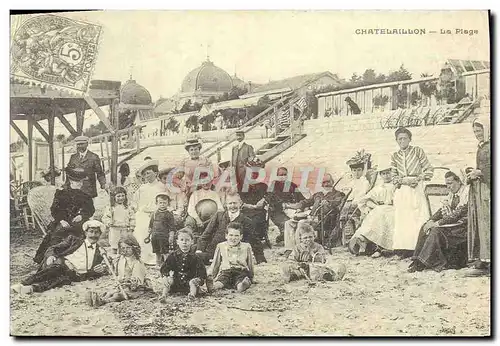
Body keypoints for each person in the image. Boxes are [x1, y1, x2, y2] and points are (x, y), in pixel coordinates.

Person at [12, 220, 109, 294]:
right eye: (91, 232)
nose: (93, 235)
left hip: (76, 275)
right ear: (86, 233)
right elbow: (53, 248)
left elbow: (107, 266)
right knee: (57, 268)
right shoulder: (74, 240)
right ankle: (23, 283)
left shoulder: (100, 251)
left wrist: (103, 269)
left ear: (100, 234)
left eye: (96, 233)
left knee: (61, 280)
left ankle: (31, 289)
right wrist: (51, 256)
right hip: (62, 264)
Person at [408, 171, 470, 272]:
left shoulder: (466, 193)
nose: (448, 186)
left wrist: (438, 223)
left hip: (462, 227)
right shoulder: (452, 194)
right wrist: (431, 220)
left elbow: (457, 214)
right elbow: (442, 210)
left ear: (459, 181)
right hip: (452, 224)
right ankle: (416, 259)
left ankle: (422, 262)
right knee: (425, 226)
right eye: (446, 184)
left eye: (450, 183)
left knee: (436, 230)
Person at [33, 167, 95, 264]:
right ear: (71, 181)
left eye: (81, 182)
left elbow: (90, 210)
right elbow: (54, 210)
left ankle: (77, 258)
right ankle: (52, 257)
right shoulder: (61, 194)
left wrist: (82, 216)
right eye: (77, 181)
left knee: (80, 234)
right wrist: (62, 220)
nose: (80, 184)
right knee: (57, 234)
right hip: (63, 221)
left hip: (78, 222)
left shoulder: (85, 196)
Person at [391, 127, 433, 257]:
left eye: (405, 138)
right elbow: (394, 176)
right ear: (396, 141)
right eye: (399, 139)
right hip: (403, 190)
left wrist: (418, 178)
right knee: (404, 219)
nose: (402, 141)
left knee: (417, 217)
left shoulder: (417, 151)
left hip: (416, 187)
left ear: (410, 139)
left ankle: (418, 248)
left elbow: (428, 170)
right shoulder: (395, 156)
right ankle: (404, 249)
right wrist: (404, 181)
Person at [196, 191, 266, 264]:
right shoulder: (219, 216)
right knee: (194, 256)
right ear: (226, 205)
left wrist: (260, 259)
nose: (232, 206)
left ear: (240, 204)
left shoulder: (246, 221)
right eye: (230, 203)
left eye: (235, 203)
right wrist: (199, 249)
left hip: (235, 254)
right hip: (214, 252)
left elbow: (255, 241)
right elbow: (206, 234)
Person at [86, 234, 153, 307]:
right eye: (123, 248)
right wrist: (104, 267)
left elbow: (138, 280)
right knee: (110, 293)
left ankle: (103, 301)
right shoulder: (120, 258)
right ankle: (98, 299)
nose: (125, 250)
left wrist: (128, 282)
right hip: (122, 285)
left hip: (135, 289)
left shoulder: (137, 263)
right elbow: (112, 268)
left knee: (117, 295)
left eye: (128, 248)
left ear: (134, 248)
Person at [283, 173, 345, 249]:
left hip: (323, 220)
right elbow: (305, 202)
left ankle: (302, 249)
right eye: (324, 182)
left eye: (328, 181)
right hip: (311, 218)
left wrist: (328, 203)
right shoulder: (318, 194)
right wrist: (289, 206)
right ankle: (290, 248)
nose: (326, 184)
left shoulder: (338, 194)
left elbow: (337, 203)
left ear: (332, 181)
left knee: (302, 223)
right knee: (289, 223)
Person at [349, 162, 396, 258]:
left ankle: (375, 245)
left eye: (388, 173)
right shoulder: (379, 187)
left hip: (393, 209)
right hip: (379, 209)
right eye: (383, 174)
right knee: (373, 216)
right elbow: (366, 200)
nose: (386, 176)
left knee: (383, 217)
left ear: (391, 173)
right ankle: (363, 238)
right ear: (380, 175)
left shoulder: (395, 186)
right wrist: (375, 206)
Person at [464, 116, 491, 277]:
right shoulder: (482, 146)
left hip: (489, 188)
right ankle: (484, 259)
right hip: (481, 188)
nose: (477, 133)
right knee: (482, 224)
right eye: (475, 131)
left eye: (479, 130)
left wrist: (479, 173)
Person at [281, 223, 346, 283]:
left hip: (315, 268)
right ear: (300, 239)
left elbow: (323, 260)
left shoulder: (318, 247)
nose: (308, 239)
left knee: (320, 272)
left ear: (314, 236)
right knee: (287, 267)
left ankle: (334, 277)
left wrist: (312, 253)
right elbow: (291, 260)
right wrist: (298, 267)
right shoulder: (297, 248)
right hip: (302, 268)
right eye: (305, 238)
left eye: (310, 237)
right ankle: (291, 277)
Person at [159, 228, 208, 301]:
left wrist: (198, 279)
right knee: (169, 280)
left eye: (187, 240)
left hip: (190, 284)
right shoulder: (173, 255)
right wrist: (165, 276)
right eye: (181, 240)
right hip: (177, 282)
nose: (184, 242)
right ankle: (163, 295)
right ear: (177, 242)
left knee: (192, 282)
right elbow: (164, 268)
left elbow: (202, 272)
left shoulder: (196, 257)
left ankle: (192, 295)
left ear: (192, 242)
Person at [132, 160, 165, 266]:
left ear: (156, 173)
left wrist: (155, 211)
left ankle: (153, 257)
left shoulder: (161, 186)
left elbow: (165, 202)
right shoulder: (142, 188)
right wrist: (136, 209)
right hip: (143, 213)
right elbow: (135, 202)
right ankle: (141, 256)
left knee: (152, 226)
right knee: (140, 224)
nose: (147, 175)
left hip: (157, 213)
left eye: (149, 173)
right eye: (145, 174)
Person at [208, 222, 254, 293]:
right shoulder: (221, 246)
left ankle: (242, 286)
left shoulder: (246, 246)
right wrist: (212, 275)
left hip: (240, 271)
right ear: (226, 235)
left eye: (236, 236)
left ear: (241, 237)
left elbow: (250, 263)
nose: (233, 238)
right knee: (221, 281)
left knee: (240, 281)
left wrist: (251, 277)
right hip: (226, 271)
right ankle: (213, 287)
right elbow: (216, 263)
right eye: (231, 235)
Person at [338, 152, 371, 243]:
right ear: (351, 171)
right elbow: (346, 193)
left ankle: (352, 237)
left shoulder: (364, 182)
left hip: (359, 204)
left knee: (345, 212)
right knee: (345, 214)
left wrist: (351, 203)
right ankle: (347, 237)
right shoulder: (352, 182)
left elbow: (362, 195)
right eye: (354, 170)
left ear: (362, 170)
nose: (356, 173)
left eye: (359, 170)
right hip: (349, 205)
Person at [269, 167, 305, 243]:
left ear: (287, 175)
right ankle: (284, 236)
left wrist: (300, 205)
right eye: (280, 175)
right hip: (278, 211)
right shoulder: (274, 185)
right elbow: (272, 199)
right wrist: (284, 205)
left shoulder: (292, 185)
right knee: (287, 224)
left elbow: (301, 198)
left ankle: (289, 236)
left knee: (300, 221)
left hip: (293, 209)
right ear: (277, 175)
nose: (282, 176)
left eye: (284, 174)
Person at [184, 171, 224, 237]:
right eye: (203, 181)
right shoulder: (195, 194)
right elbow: (191, 209)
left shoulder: (215, 194)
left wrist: (212, 219)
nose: (205, 183)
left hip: (211, 218)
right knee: (189, 220)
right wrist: (198, 220)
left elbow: (220, 209)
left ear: (211, 181)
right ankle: (191, 238)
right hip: (197, 218)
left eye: (207, 181)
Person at [101, 186, 136, 256]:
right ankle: (114, 258)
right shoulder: (111, 208)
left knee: (124, 245)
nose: (121, 198)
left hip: (124, 229)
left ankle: (122, 259)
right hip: (114, 229)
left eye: (123, 196)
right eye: (118, 196)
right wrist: (108, 222)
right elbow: (105, 218)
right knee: (114, 245)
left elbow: (132, 218)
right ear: (114, 197)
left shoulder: (127, 207)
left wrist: (131, 227)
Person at [27, 168, 62, 232]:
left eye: (56, 176)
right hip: (47, 206)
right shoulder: (43, 189)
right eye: (49, 176)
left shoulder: (57, 185)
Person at [148, 192, 176, 267]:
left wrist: (171, 236)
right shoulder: (154, 213)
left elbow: (172, 227)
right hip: (155, 236)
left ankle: (167, 266)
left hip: (164, 236)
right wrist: (149, 232)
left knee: (165, 252)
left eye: (164, 203)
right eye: (160, 203)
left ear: (168, 203)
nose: (162, 205)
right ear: (156, 203)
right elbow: (151, 224)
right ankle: (158, 264)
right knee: (157, 251)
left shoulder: (169, 214)